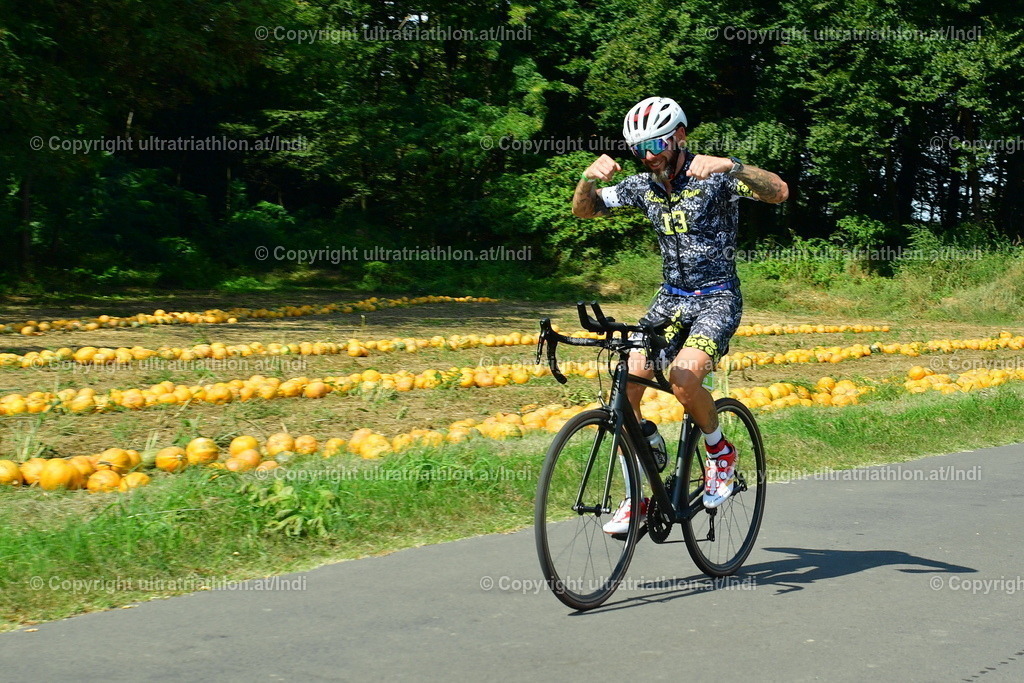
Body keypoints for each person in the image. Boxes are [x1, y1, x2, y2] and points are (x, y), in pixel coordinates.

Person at [571, 96, 788, 534]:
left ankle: (719, 451)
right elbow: (585, 209)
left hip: (716, 298)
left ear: (679, 135)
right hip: (669, 300)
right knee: (629, 378)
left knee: (684, 379)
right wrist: (587, 180)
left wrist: (732, 165)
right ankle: (639, 489)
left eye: (656, 142)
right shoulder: (643, 185)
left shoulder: (714, 177)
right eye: (639, 147)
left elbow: (779, 192)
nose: (649, 154)